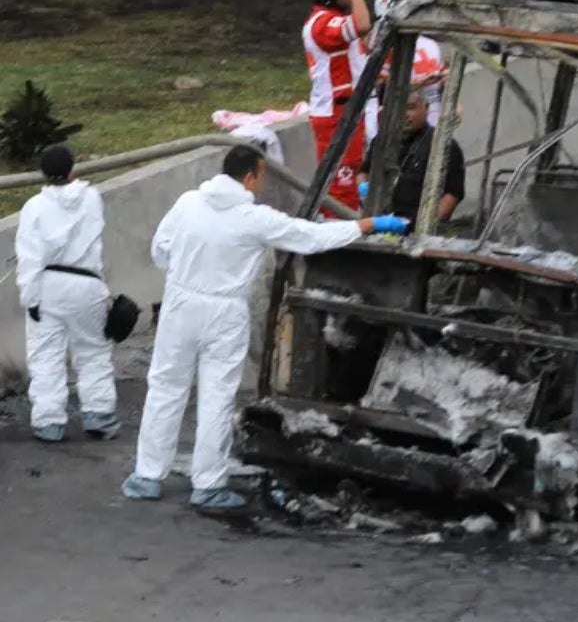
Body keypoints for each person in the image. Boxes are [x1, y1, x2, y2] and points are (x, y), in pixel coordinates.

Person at [121, 146, 407, 514]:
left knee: (165, 388)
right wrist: (368, 225)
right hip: (224, 311)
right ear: (251, 176)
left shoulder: (188, 202)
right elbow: (309, 236)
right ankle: (207, 483)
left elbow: (161, 251)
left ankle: (147, 475)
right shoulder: (253, 218)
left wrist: (185, 272)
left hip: (180, 302)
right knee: (216, 396)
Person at [15, 145, 119, 443]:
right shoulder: (91, 198)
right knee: (94, 350)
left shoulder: (34, 207)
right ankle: (100, 414)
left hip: (48, 285)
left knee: (46, 355)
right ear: (73, 169)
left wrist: (30, 299)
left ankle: (49, 422)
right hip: (88, 283)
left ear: (42, 173)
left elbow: (30, 257)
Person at [303, 0, 372, 212]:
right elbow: (363, 24)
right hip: (336, 114)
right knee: (339, 185)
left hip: (347, 111)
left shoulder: (332, 20)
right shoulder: (322, 24)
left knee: (348, 179)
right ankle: (336, 241)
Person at [356, 88, 464, 224]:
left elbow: (452, 195)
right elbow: (363, 172)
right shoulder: (381, 141)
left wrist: (426, 225)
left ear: (426, 108)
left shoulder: (443, 144)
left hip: (416, 227)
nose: (405, 115)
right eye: (399, 109)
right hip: (380, 222)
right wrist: (364, 190)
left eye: (411, 108)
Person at [365, 0, 445, 148]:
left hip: (432, 128)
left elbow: (440, 84)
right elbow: (377, 92)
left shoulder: (430, 45)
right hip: (396, 131)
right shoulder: (379, 51)